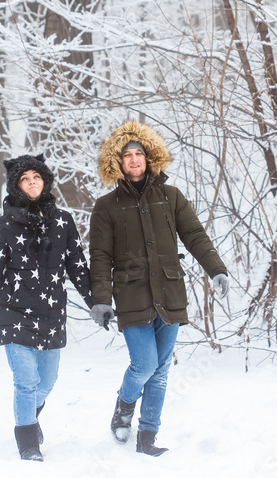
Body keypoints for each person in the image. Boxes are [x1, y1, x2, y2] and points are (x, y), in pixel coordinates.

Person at [88, 120, 229, 456]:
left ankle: (147, 437)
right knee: (145, 364)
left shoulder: (171, 196)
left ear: (149, 158)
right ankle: (124, 407)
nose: (134, 160)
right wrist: (101, 300)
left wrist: (216, 269)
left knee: (162, 371)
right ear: (117, 163)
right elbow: (100, 256)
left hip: (169, 293)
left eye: (139, 153)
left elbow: (194, 235)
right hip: (131, 293)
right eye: (127, 156)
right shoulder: (106, 207)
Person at [0, 154, 93, 461]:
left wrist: (97, 303)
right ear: (17, 186)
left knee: (46, 382)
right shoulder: (5, 225)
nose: (32, 183)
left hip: (52, 314)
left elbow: (78, 267)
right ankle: (28, 443)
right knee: (26, 381)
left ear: (45, 182)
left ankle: (29, 415)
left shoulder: (63, 222)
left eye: (37, 177)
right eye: (25, 179)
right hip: (13, 313)